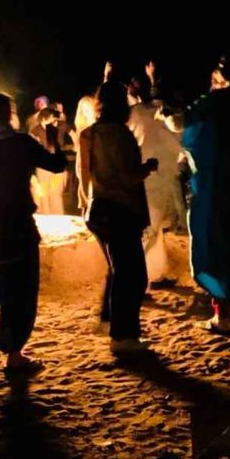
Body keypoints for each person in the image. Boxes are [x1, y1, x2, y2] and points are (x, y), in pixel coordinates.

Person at [0, 92, 67, 372]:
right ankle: (14, 353)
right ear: (10, 115)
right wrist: (53, 137)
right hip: (18, 226)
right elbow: (57, 165)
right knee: (21, 289)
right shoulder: (22, 144)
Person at [163, 50, 230, 331]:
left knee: (217, 242)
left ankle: (222, 315)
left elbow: (182, 124)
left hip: (218, 184)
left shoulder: (216, 100)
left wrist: (166, 114)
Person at [79, 81, 158, 354]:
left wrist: (86, 204)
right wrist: (147, 168)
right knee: (133, 277)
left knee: (118, 271)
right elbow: (127, 176)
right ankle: (123, 338)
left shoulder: (88, 134)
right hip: (121, 211)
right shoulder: (121, 135)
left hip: (97, 210)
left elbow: (83, 176)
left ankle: (108, 321)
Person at [126, 63, 185, 287]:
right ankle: (135, 280)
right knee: (149, 232)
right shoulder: (174, 118)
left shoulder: (136, 112)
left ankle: (154, 274)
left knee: (154, 230)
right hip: (155, 182)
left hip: (140, 178)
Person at [29, 102, 69, 214]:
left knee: (55, 196)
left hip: (54, 168)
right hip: (43, 168)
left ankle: (56, 216)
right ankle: (47, 215)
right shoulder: (36, 131)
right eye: (51, 118)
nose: (53, 121)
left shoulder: (55, 129)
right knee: (44, 196)